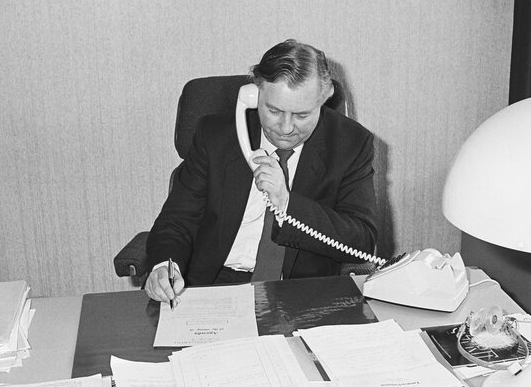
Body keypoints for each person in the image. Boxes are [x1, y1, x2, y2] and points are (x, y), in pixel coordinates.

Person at [145, 39, 377, 303]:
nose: (286, 128)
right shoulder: (216, 136)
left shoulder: (350, 144)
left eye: (301, 115)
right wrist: (164, 267)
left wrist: (287, 204)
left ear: (324, 100)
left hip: (300, 295)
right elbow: (177, 220)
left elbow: (362, 241)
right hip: (216, 287)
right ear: (254, 95)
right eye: (274, 111)